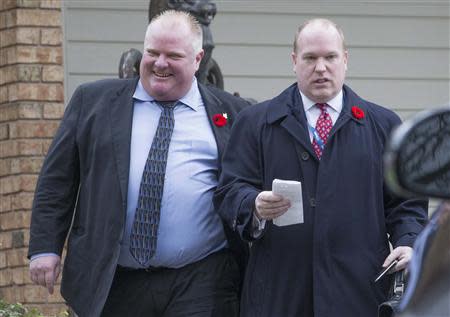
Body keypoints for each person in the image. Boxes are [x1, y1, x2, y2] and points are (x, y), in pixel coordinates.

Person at [28, 10, 248, 317]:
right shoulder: (92, 103)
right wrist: (45, 247)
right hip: (115, 278)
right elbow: (57, 180)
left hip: (203, 278)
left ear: (198, 59)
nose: (160, 63)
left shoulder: (235, 114)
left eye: (173, 55)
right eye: (152, 52)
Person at [213, 18, 428, 317]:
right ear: (294, 61)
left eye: (330, 57)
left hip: (358, 293)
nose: (321, 67)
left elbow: (406, 204)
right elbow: (228, 190)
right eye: (310, 58)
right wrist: (254, 205)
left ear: (346, 60)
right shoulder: (255, 122)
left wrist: (409, 242)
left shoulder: (383, 125)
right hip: (279, 294)